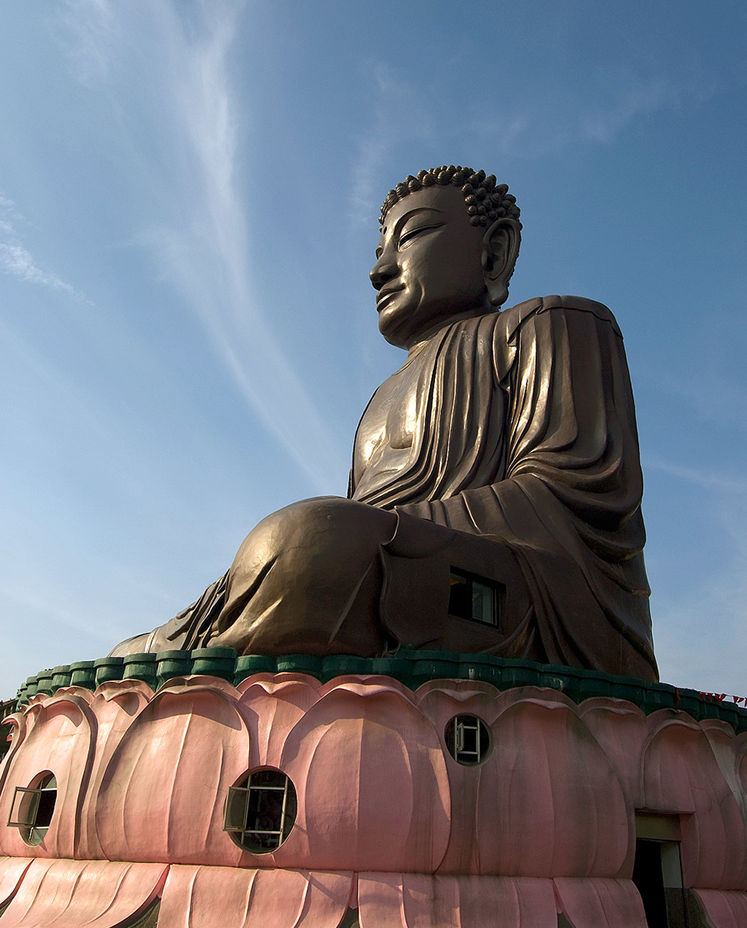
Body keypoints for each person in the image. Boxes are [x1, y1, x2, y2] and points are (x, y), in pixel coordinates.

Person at [111, 166, 657, 680]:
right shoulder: (381, 397)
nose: (379, 270)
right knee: (147, 639)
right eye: (379, 252)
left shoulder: (555, 324)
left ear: (494, 252)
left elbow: (578, 494)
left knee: (309, 543)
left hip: (517, 595)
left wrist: (362, 535)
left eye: (411, 237)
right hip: (389, 567)